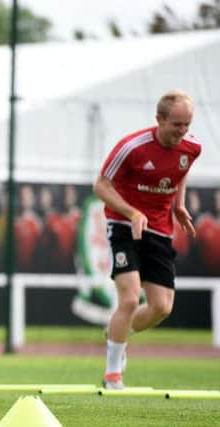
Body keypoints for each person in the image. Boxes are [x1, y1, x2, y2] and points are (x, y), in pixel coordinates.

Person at [93, 90, 201, 389]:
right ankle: (113, 374)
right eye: (176, 124)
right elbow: (100, 186)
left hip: (160, 229)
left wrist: (178, 205)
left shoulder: (192, 147)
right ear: (160, 119)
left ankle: (117, 334)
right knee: (129, 298)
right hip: (123, 223)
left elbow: (181, 170)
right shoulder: (132, 147)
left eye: (187, 125)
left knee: (162, 308)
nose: (182, 132)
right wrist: (132, 213)